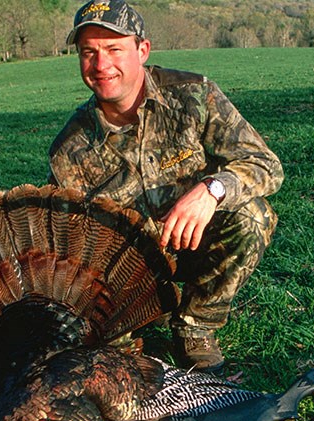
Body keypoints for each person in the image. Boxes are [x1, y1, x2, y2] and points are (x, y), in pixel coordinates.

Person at [47, 0, 282, 374]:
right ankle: (131, 331)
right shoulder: (69, 150)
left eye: (113, 49)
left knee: (252, 216)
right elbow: (66, 246)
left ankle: (196, 328)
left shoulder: (193, 96)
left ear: (142, 51)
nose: (101, 65)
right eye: (88, 53)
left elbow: (266, 165)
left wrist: (212, 189)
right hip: (126, 276)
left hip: (195, 248)